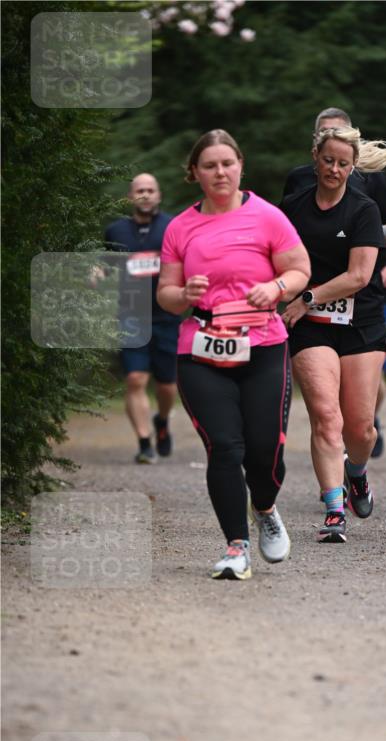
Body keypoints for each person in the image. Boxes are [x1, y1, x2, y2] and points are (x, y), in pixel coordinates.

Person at [157, 130, 310, 579]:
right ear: (194, 173)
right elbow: (166, 294)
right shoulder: (180, 227)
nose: (220, 172)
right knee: (224, 447)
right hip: (202, 347)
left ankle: (264, 506)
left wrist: (277, 287)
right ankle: (235, 546)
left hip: (263, 344)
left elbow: (300, 269)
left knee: (264, 452)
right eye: (209, 165)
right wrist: (182, 292)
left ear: (241, 165)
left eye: (227, 163)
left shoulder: (268, 217)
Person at [280, 126, 386, 542]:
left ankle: (357, 472)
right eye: (328, 160)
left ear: (354, 166)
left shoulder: (363, 208)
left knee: (360, 428)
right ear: (315, 158)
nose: (334, 169)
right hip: (310, 326)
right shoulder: (293, 206)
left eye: (343, 163)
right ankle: (334, 509)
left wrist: (308, 296)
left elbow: (359, 276)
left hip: (360, 322)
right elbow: (275, 259)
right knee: (326, 418)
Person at [103, 174, 181, 463]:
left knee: (166, 384)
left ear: (158, 195)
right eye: (140, 191)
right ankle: (144, 442)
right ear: (130, 197)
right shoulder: (115, 232)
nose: (145, 195)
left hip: (167, 315)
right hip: (131, 315)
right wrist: (96, 275)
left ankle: (161, 420)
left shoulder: (173, 227)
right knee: (135, 378)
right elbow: (106, 267)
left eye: (150, 190)